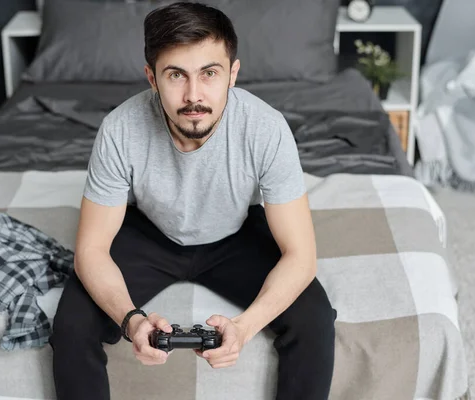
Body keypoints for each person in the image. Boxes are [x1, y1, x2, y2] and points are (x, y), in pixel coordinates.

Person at [49, 2, 337, 399]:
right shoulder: (119, 129)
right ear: (151, 78)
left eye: (210, 74)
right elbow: (91, 251)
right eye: (175, 75)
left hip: (237, 233)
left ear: (233, 74)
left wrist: (244, 328)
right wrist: (132, 321)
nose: (193, 95)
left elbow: (301, 257)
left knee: (315, 318)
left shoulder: (266, 129)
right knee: (71, 325)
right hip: (150, 232)